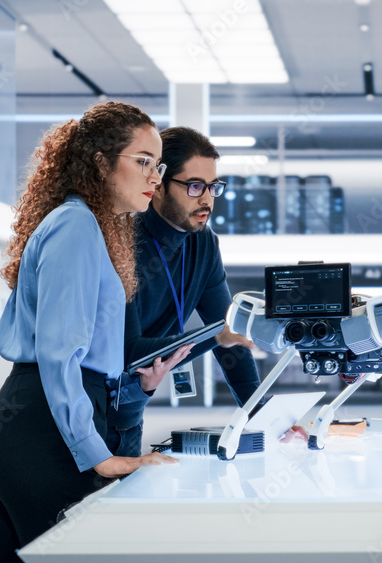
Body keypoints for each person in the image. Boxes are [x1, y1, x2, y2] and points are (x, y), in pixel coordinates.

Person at [0, 101, 191, 562]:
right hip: (45, 434)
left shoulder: (86, 226)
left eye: (160, 165)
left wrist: (134, 383)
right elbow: (59, 355)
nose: (156, 177)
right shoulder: (75, 225)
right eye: (143, 162)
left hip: (36, 422)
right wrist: (99, 456)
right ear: (100, 162)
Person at [107, 126, 261, 457]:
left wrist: (261, 416)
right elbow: (130, 350)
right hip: (85, 415)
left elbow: (227, 334)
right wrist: (217, 337)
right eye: (194, 186)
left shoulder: (204, 243)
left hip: (131, 412)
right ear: (159, 184)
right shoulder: (122, 243)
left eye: (213, 187)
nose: (206, 199)